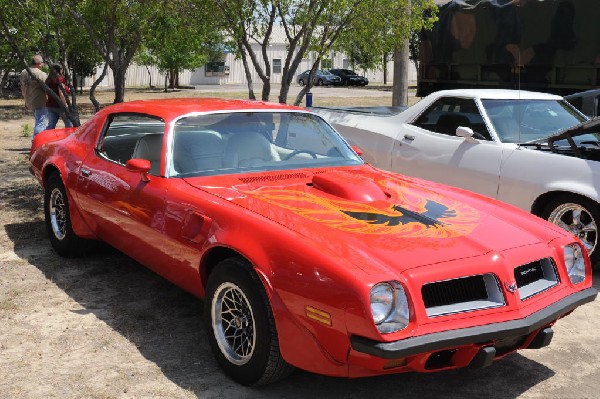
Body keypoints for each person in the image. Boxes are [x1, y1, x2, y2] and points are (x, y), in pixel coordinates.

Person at [20, 55, 48, 137]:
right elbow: (47, 89)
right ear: (39, 63)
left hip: (29, 100)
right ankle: (36, 142)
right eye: (42, 62)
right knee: (40, 122)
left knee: (38, 121)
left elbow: (23, 87)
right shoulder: (41, 74)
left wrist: (25, 99)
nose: (42, 64)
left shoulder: (24, 72)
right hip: (40, 101)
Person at [45, 64, 73, 129]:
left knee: (51, 125)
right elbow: (61, 93)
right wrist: (65, 105)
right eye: (62, 69)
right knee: (69, 124)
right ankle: (68, 138)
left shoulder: (48, 79)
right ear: (59, 70)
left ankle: (48, 138)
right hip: (60, 106)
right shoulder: (60, 79)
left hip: (50, 105)